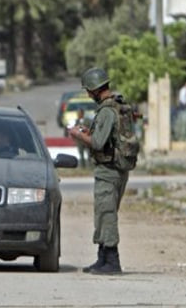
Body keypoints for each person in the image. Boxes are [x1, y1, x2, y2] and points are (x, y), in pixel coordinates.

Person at [68, 67, 129, 275]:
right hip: (116, 169)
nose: (88, 95)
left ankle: (112, 261)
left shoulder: (106, 111)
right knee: (104, 214)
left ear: (95, 89)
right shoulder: (117, 106)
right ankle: (102, 258)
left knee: (106, 214)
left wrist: (78, 134)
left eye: (88, 90)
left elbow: (97, 142)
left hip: (108, 170)